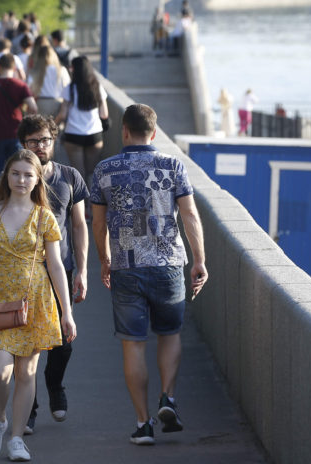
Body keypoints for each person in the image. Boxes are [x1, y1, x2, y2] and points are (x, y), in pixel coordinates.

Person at [90, 103, 207, 446]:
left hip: (126, 267)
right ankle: (167, 399)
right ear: (153, 133)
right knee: (169, 335)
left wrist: (104, 258)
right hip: (168, 264)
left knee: (134, 345)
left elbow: (97, 223)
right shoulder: (172, 165)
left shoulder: (104, 170)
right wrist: (199, 260)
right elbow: (190, 216)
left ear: (123, 131)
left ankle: (143, 424)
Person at [0, 149, 77, 461]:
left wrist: (67, 312)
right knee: (0, 372)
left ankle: (16, 437)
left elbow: (55, 265)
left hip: (36, 301)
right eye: (16, 173)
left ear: (38, 179)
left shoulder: (44, 216)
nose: (22, 180)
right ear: (7, 176)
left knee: (27, 374)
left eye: (28, 175)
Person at [16, 115, 88, 434]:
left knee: (64, 340)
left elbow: (79, 225)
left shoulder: (69, 177)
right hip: (23, 274)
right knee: (27, 345)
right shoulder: (15, 178)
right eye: (33, 141)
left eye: (45, 140)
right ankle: (27, 407)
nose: (40, 146)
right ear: (24, 145)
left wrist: (82, 270)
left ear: (53, 140)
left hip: (61, 269)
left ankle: (54, 385)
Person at [55, 55, 108, 209]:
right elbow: (104, 114)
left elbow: (63, 114)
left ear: (75, 70)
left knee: (79, 175)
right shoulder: (97, 87)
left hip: (74, 136)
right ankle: (95, 208)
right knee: (92, 174)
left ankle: (82, 211)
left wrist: (53, 123)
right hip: (94, 136)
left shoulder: (69, 88)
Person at [0, 53, 37, 186]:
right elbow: (33, 107)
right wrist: (26, 121)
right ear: (14, 67)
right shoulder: (21, 86)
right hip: (16, 135)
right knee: (17, 171)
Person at [27, 44, 71, 119]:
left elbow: (28, 88)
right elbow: (68, 87)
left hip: (41, 103)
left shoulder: (35, 71)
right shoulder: (61, 70)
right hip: (58, 103)